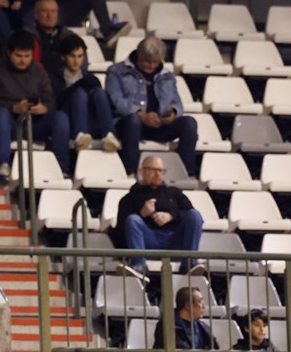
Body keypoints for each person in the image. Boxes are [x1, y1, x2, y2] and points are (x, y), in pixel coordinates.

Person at [0, 30, 69, 181]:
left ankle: (61, 168)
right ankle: (3, 164)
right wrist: (14, 107)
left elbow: (51, 100)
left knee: (60, 117)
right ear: (9, 53)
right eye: (19, 56)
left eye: (27, 56)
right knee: (1, 114)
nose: (23, 60)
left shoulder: (39, 72)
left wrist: (43, 108)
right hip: (7, 124)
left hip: (33, 123)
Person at [105, 36, 199, 177]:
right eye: (147, 61)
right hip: (129, 125)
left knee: (189, 123)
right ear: (138, 55)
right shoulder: (116, 71)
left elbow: (177, 103)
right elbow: (117, 101)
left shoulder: (167, 76)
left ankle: (186, 172)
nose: (151, 66)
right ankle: (130, 171)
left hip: (159, 124)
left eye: (155, 62)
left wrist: (172, 112)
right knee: (133, 121)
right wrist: (141, 114)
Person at [114, 155, 204, 281]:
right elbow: (120, 233)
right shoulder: (129, 198)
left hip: (174, 238)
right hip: (147, 241)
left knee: (195, 215)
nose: (157, 174)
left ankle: (188, 264)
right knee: (133, 219)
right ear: (142, 171)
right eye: (152, 170)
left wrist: (171, 216)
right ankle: (139, 265)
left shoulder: (174, 192)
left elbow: (193, 216)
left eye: (160, 170)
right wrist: (142, 214)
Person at [51, 34, 120, 153]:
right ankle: (80, 135)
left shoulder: (91, 79)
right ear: (63, 57)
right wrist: (79, 86)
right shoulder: (54, 78)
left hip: (91, 120)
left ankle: (109, 135)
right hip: (67, 121)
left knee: (99, 92)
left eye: (80, 56)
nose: (76, 61)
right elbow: (57, 103)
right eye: (72, 56)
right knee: (79, 93)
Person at [152, 286, 236, 352]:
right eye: (200, 301)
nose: (203, 306)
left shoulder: (203, 327)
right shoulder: (169, 326)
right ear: (188, 306)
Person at [30, 0, 73, 75]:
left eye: (53, 11)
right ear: (36, 15)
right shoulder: (28, 36)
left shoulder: (68, 36)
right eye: (44, 11)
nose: (49, 16)